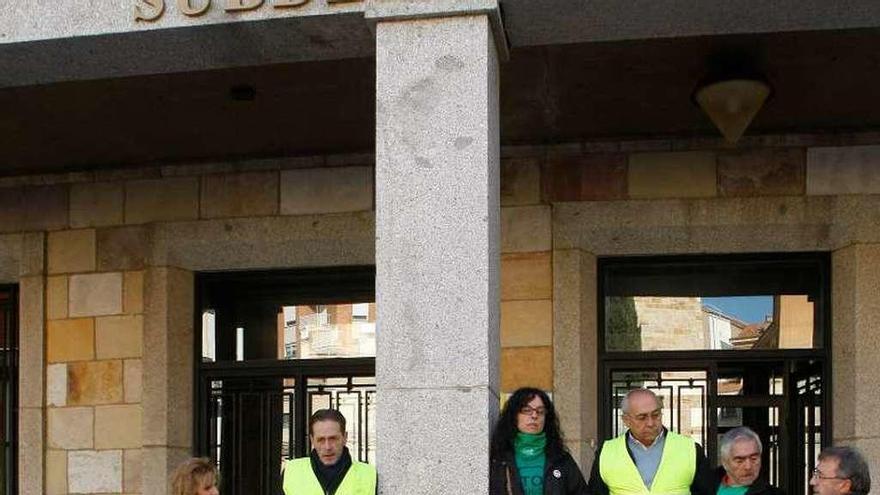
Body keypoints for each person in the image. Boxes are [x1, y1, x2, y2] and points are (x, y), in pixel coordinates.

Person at [587, 388, 712, 495]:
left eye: (656, 415)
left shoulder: (690, 449)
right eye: (642, 417)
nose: (651, 423)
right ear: (626, 420)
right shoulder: (607, 452)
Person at [490, 387, 589, 495]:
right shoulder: (498, 459)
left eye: (540, 411)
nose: (534, 415)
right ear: (514, 415)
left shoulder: (561, 459)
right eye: (526, 410)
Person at [282, 408, 377, 495]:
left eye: (333, 438)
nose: (327, 447)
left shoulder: (369, 475)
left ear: (345, 437)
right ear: (312, 440)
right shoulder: (291, 472)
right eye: (321, 439)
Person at [712, 427, 783, 495]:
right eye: (740, 461)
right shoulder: (706, 486)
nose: (748, 467)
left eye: (754, 459)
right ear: (725, 462)